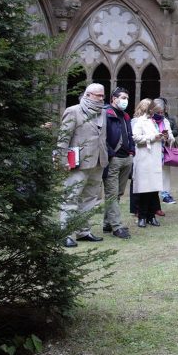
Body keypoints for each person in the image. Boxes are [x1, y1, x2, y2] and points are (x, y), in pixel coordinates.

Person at [57, 83, 110, 247]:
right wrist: (62, 160)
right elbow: (63, 138)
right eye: (98, 95)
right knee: (71, 198)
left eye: (102, 96)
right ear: (87, 95)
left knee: (90, 199)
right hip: (77, 163)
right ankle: (65, 233)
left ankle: (83, 231)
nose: (101, 98)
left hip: (98, 162)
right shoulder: (73, 111)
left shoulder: (103, 113)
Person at [101, 86, 134, 239]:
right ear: (113, 99)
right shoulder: (105, 114)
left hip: (126, 158)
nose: (125, 101)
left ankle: (107, 222)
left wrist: (131, 151)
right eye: (122, 98)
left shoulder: (125, 115)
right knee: (112, 193)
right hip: (113, 159)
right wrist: (111, 154)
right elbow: (101, 138)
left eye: (126, 98)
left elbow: (129, 134)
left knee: (118, 193)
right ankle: (117, 226)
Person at [130, 98, 165, 228]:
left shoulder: (154, 122)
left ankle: (151, 215)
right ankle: (142, 216)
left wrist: (162, 136)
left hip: (155, 158)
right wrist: (153, 137)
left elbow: (156, 135)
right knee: (144, 190)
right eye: (157, 111)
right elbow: (136, 138)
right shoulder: (141, 121)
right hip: (145, 158)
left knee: (153, 190)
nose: (159, 113)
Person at [150, 97, 175, 216]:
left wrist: (168, 137)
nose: (160, 114)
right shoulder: (147, 121)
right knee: (151, 180)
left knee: (164, 175)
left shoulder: (165, 121)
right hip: (150, 153)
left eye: (162, 112)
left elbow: (171, 135)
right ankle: (151, 205)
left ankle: (165, 195)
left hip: (162, 152)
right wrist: (156, 136)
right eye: (157, 112)